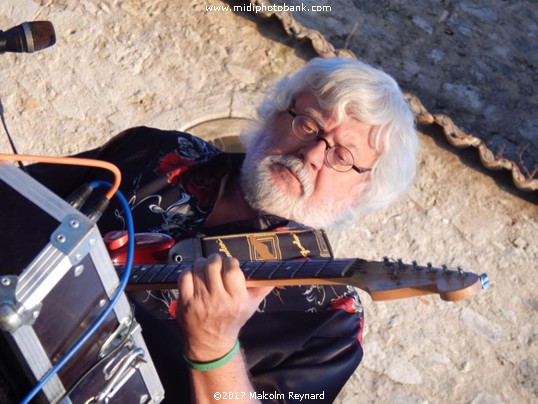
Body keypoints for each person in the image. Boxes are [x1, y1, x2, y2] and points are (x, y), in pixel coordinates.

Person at [3, 57, 418, 403]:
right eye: (309, 125)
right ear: (277, 112)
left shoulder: (331, 318)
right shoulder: (157, 152)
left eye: (342, 156)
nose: (311, 154)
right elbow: (16, 203)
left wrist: (214, 348)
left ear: (364, 189)